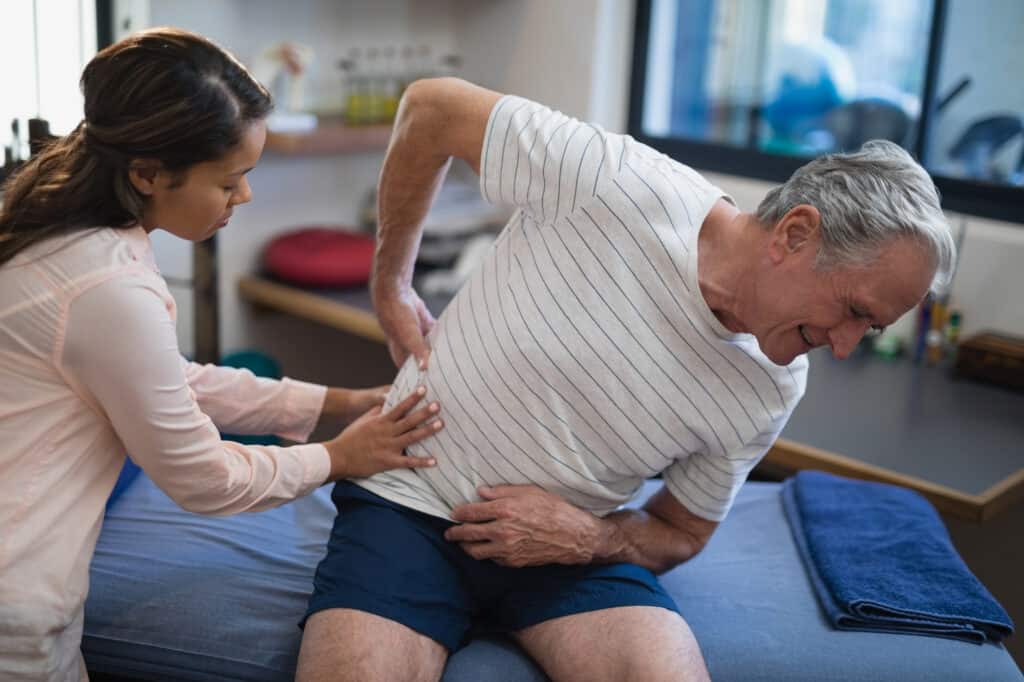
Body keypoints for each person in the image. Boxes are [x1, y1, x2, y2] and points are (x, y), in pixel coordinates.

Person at [296, 76, 956, 682]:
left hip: (563, 548)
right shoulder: (617, 183)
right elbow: (431, 108)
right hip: (408, 506)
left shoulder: (772, 385)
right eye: (853, 313)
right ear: (796, 233)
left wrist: (591, 538)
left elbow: (682, 531)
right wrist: (391, 281)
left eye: (867, 332)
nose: (843, 348)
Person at [0, 28, 444, 682]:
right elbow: (204, 479)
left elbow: (166, 380)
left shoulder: (62, 232)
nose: (245, 198)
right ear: (147, 173)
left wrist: (339, 403)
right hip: (19, 601)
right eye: (230, 180)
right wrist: (337, 458)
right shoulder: (106, 288)